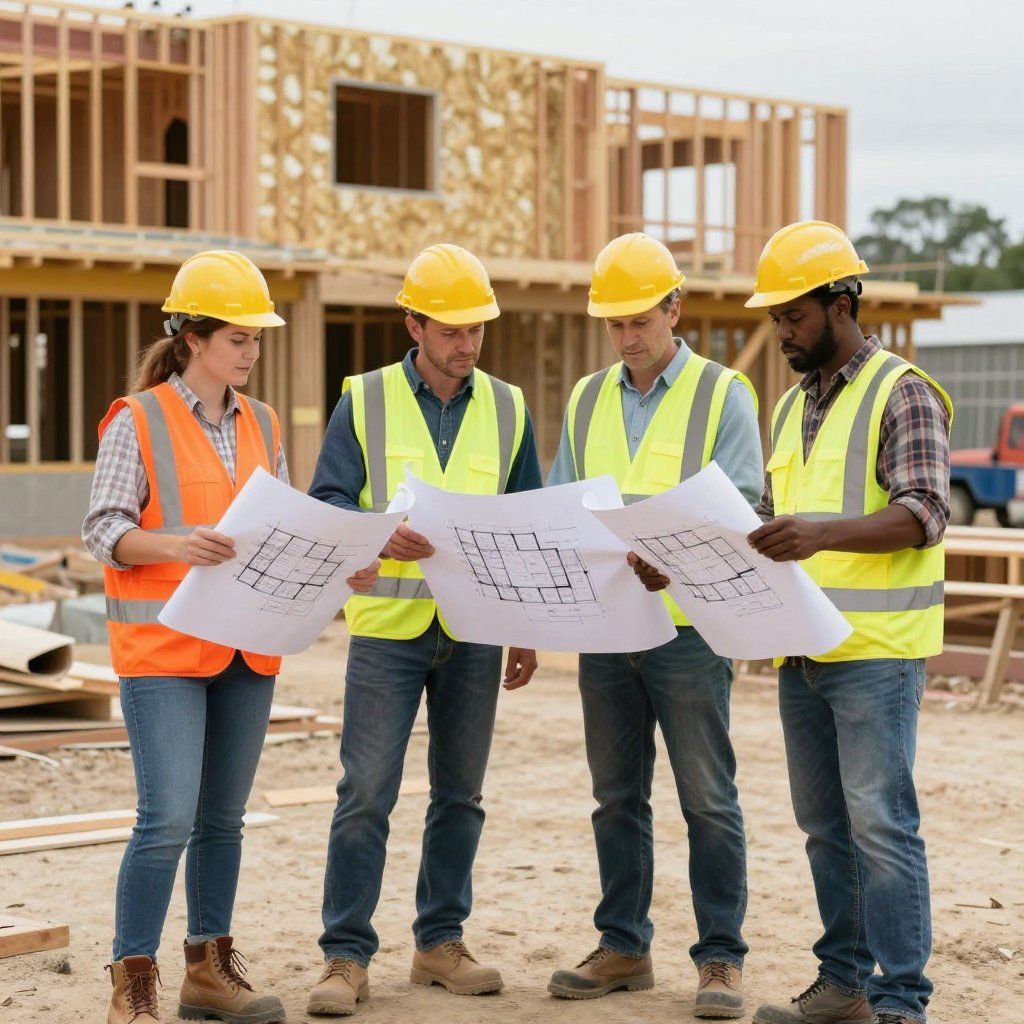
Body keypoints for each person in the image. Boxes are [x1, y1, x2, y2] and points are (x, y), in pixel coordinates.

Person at [83, 250, 378, 1024]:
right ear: (192, 338)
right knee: (167, 820)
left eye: (256, 339)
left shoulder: (265, 422)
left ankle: (207, 969)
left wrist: (336, 568)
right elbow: (103, 530)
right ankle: (133, 978)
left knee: (223, 820)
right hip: (164, 656)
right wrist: (177, 543)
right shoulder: (137, 418)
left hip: (248, 648)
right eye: (239, 339)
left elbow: (277, 534)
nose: (251, 353)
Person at [305, 243, 544, 1016]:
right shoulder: (364, 400)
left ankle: (439, 944)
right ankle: (345, 957)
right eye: (449, 330)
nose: (465, 344)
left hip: (474, 629)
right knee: (366, 792)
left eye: (476, 329)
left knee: (461, 795)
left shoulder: (508, 408)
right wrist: (377, 531)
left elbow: (524, 523)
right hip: (388, 633)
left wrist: (523, 625)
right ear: (413, 324)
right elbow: (329, 502)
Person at [545, 232, 763, 1018]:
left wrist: (668, 555)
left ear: (675, 308)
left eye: (641, 319)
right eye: (616, 324)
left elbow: (739, 510)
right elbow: (563, 507)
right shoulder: (585, 397)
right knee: (616, 797)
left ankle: (720, 960)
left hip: (689, 632)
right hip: (609, 630)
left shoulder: (722, 395)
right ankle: (625, 946)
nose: (628, 337)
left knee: (707, 797)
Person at [745, 221, 951, 1024]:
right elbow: (771, 521)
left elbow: (926, 512)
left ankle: (901, 1001)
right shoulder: (792, 405)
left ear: (841, 303)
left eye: (793, 316)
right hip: (803, 656)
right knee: (826, 830)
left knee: (882, 828)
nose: (783, 333)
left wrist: (821, 533)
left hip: (876, 656)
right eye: (775, 320)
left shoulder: (900, 390)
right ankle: (844, 986)